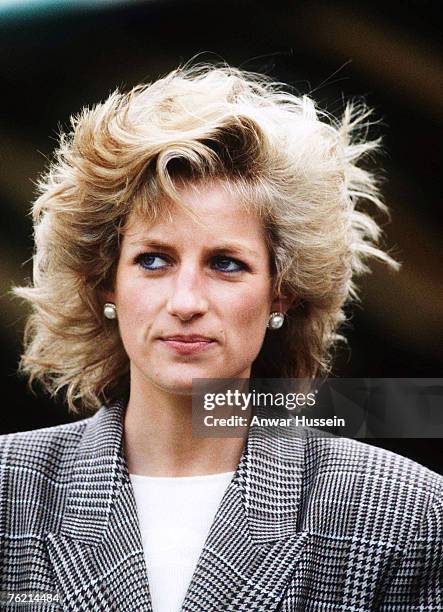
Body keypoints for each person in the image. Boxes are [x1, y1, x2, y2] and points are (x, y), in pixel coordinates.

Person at [0, 63, 441, 611]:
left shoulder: (400, 511)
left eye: (226, 264)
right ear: (106, 283)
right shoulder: (9, 493)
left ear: (281, 294)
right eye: (154, 260)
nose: (186, 302)